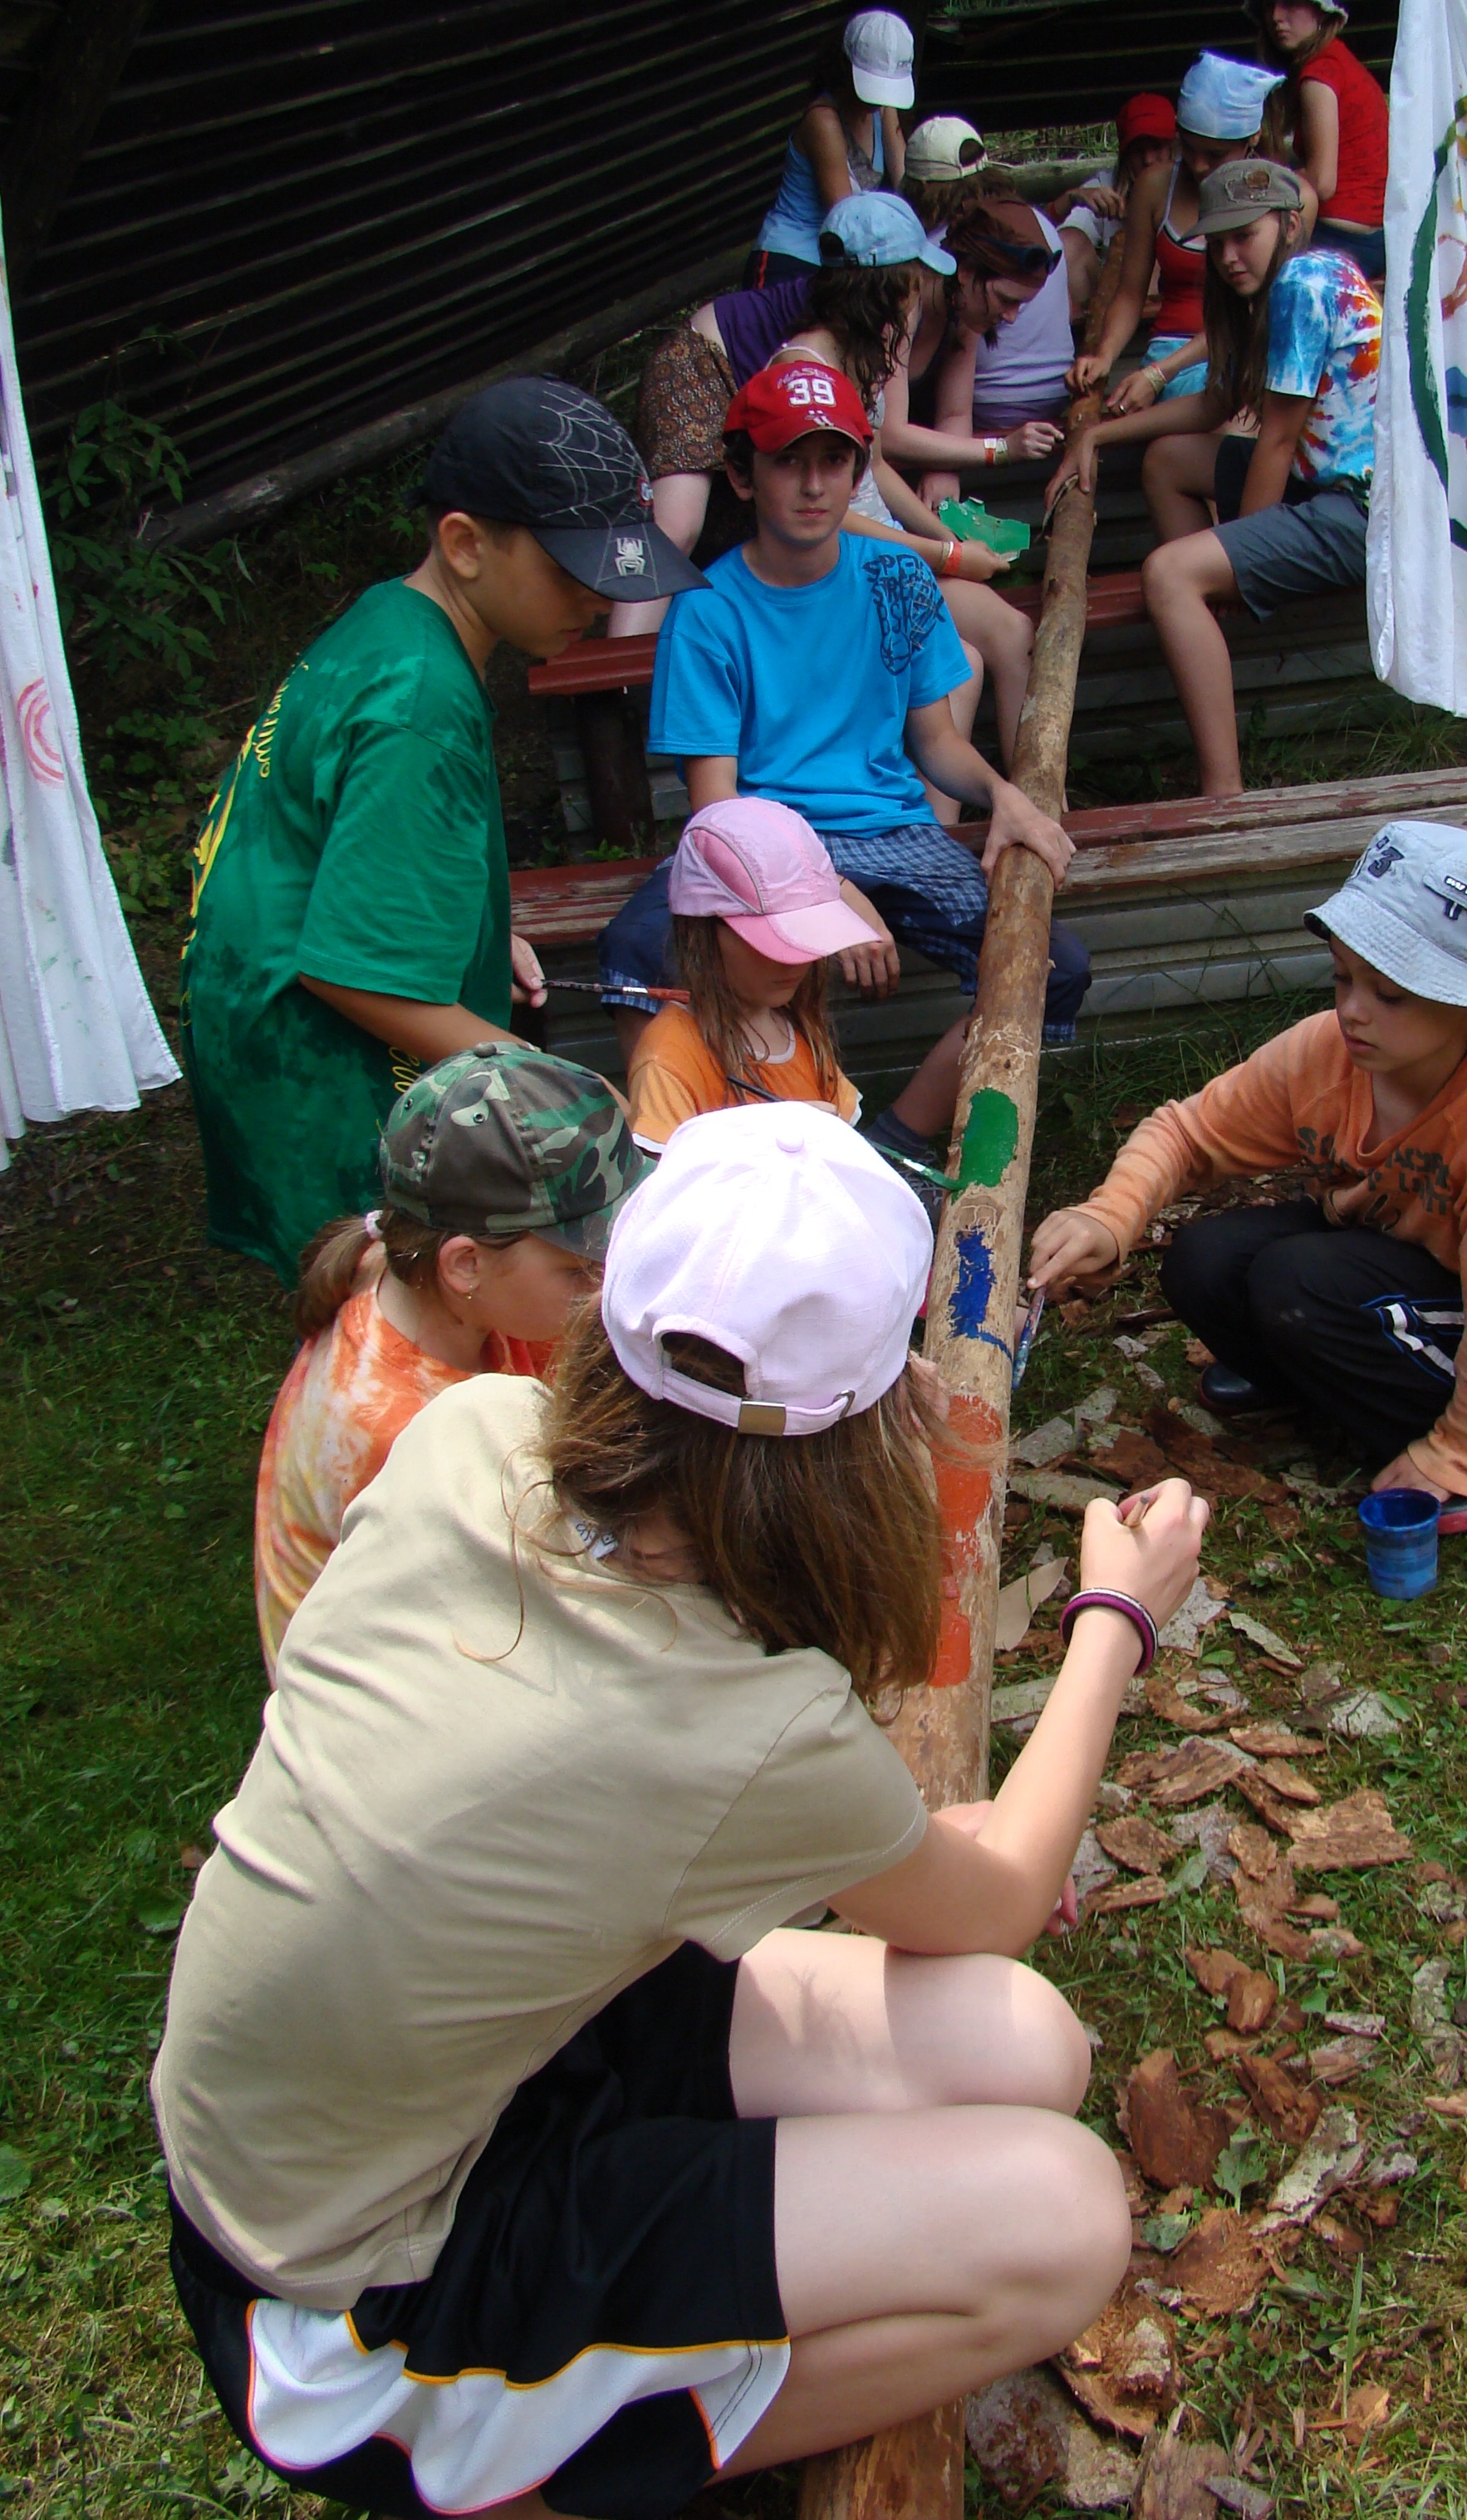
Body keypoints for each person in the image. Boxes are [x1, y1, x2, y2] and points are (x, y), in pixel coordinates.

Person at [153, 1098, 1210, 2514]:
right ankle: (552, 2455)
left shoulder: (474, 1429)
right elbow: (1006, 1893)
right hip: (340, 2295)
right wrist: (1114, 1617)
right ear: (869, 1426)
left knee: (1028, 2041)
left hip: (390, 2097)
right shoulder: (752, 1726)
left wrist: (891, 1852)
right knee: (1066, 2218)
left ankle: (649, 2307)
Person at [182, 376, 699, 1284]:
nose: (595, 594)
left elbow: (361, 848)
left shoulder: (395, 624)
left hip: (256, 1012)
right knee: (387, 1293)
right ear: (464, 544)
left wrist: (476, 931)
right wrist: (556, 1086)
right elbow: (355, 972)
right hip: (319, 1061)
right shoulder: (420, 706)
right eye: (569, 566)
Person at [1031, 823, 1467, 1535]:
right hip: (1373, 1259)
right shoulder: (1328, 1051)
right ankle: (1307, 1385)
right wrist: (1109, 1215)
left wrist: (1461, 1448)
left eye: (1390, 994)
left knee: (1296, 1280)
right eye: (1343, 977)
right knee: (1203, 1260)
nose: (1353, 1010)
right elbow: (1188, 1132)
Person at [625, 359, 1087, 1171]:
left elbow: (935, 743)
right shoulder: (707, 609)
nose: (814, 485)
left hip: (895, 834)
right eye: (788, 462)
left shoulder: (897, 578)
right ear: (742, 474)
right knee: (633, 952)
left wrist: (1003, 795)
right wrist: (824, 890)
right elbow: (716, 809)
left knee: (1052, 965)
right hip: (758, 846)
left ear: (857, 468)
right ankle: (698, 1155)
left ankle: (895, 1148)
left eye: (833, 461)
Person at [253, 1044, 642, 1678]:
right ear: (464, 1263)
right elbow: (549, 1615)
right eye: (579, 1269)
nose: (605, 1284)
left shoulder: (426, 1282)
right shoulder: (407, 1434)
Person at [617, 196, 1033, 765]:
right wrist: (947, 556)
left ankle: (1031, 794)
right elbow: (827, 511)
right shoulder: (803, 369)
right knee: (967, 664)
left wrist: (947, 542)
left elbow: (876, 467)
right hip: (851, 566)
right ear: (893, 290)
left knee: (1011, 633)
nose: (921, 301)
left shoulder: (868, 355)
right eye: (916, 286)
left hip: (892, 554)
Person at [1049, 159, 1379, 798]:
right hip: (1320, 483)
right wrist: (1097, 435)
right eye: (1218, 241)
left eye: (1244, 236)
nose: (1229, 257)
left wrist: (1238, 550)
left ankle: (1223, 794)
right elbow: (1218, 403)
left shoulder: (1303, 284)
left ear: (1289, 225)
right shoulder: (1285, 284)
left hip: (1362, 510)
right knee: (1168, 460)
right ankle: (1211, 616)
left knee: (1167, 573)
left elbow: (1275, 439)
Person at [626, 799, 868, 1151]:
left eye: (806, 936)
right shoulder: (668, 1059)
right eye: (770, 942)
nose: (795, 962)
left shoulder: (797, 1027)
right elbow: (672, 1181)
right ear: (700, 934)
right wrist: (767, 1137)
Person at [1069, 52, 1292, 410]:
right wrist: (1105, 356)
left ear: (1252, 138)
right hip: (1171, 351)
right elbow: (1130, 293)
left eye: (1215, 154)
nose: (1199, 165)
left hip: (1250, 349)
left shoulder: (1285, 197)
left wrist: (1159, 374)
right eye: (1187, 147)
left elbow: (1255, 315)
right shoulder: (1155, 186)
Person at [891, 194, 1068, 506]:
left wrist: (945, 470)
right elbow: (889, 435)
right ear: (966, 272)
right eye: (1006, 300)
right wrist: (1000, 450)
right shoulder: (905, 301)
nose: (1011, 317)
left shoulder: (963, 312)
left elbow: (955, 413)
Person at [1245, 0, 1390, 282]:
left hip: (1344, 238)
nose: (1276, 16)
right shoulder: (1337, 61)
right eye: (1270, 5)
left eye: (1291, 3)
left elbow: (1322, 183)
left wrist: (1254, 184)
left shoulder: (1320, 74)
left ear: (1321, 13)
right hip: (1371, 236)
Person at [748, 8, 913, 287]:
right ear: (847, 67)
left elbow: (906, 186)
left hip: (833, 262)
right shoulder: (823, 120)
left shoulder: (884, 110)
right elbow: (845, 218)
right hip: (790, 258)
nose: (878, 99)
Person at [1057, 91, 1179, 317]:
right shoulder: (1107, 185)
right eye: (1138, 151)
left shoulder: (1191, 183)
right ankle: (1077, 328)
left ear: (1174, 146)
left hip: (1177, 303)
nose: (1148, 160)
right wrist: (1073, 198)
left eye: (1156, 147)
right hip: (1111, 301)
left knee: (1152, 243)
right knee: (1069, 242)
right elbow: (1047, 244)